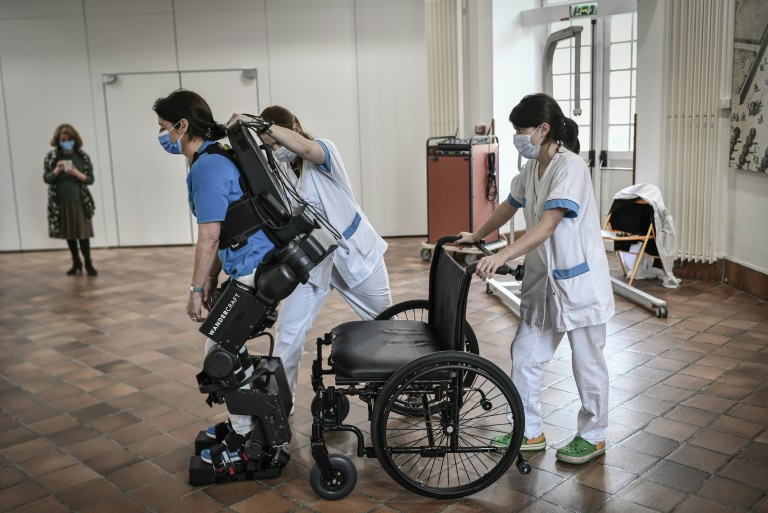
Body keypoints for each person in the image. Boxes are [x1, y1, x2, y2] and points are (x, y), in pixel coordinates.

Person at [456, 93, 614, 465]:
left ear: (543, 130)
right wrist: (477, 236)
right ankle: (527, 431)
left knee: (587, 362)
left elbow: (546, 225)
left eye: (520, 130)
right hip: (545, 284)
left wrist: (503, 254)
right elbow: (508, 207)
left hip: (579, 285)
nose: (517, 137)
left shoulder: (570, 168)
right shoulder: (532, 170)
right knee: (525, 354)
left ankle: (593, 435)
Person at [227, 107, 392, 403]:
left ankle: (405, 390)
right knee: (288, 335)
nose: (275, 150)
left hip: (357, 257)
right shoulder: (279, 174)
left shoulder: (325, 151)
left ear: (292, 128)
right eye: (269, 146)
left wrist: (257, 123)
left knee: (385, 328)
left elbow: (305, 148)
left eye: (276, 143)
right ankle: (280, 406)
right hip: (315, 265)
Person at [153, 89, 276, 466]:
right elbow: (231, 226)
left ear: (183, 125)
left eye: (164, 128)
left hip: (252, 267)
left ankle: (244, 442)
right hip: (253, 262)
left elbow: (209, 235)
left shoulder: (206, 166)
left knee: (219, 354)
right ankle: (248, 426)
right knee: (228, 349)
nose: (163, 136)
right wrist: (210, 277)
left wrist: (194, 290)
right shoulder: (213, 157)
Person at [44, 124, 98, 276]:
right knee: (70, 234)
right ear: (58, 140)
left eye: (69, 139)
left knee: (83, 234)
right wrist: (57, 170)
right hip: (60, 202)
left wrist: (77, 174)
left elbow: (90, 180)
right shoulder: (52, 158)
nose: (66, 142)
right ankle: (76, 262)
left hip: (80, 201)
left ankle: (88, 263)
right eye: (63, 139)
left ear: (75, 139)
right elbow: (47, 178)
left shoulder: (82, 157)